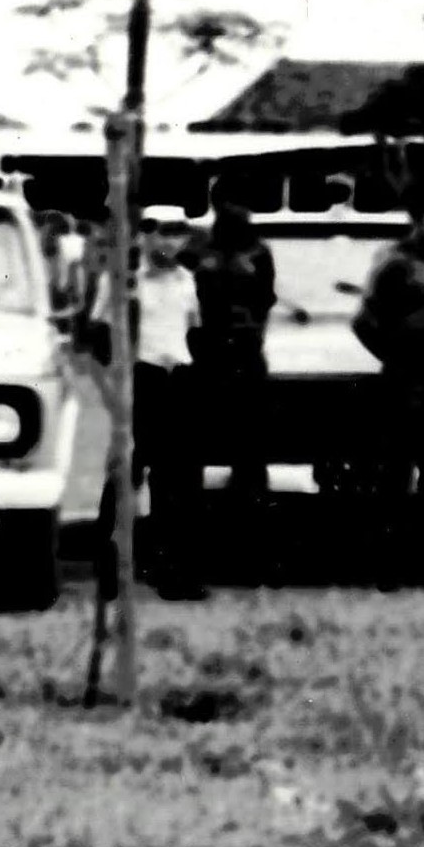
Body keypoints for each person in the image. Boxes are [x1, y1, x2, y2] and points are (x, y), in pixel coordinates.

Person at [149, 198, 276, 598]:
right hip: (202, 364)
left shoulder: (257, 252)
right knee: (183, 470)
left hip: (240, 361)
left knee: (247, 466)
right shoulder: (196, 254)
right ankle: (179, 561)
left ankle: (247, 558)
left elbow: (264, 302)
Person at [349, 205, 424, 580]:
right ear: (417, 220)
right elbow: (364, 320)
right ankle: (390, 564)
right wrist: (397, 353)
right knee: (396, 471)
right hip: (405, 377)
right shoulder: (396, 261)